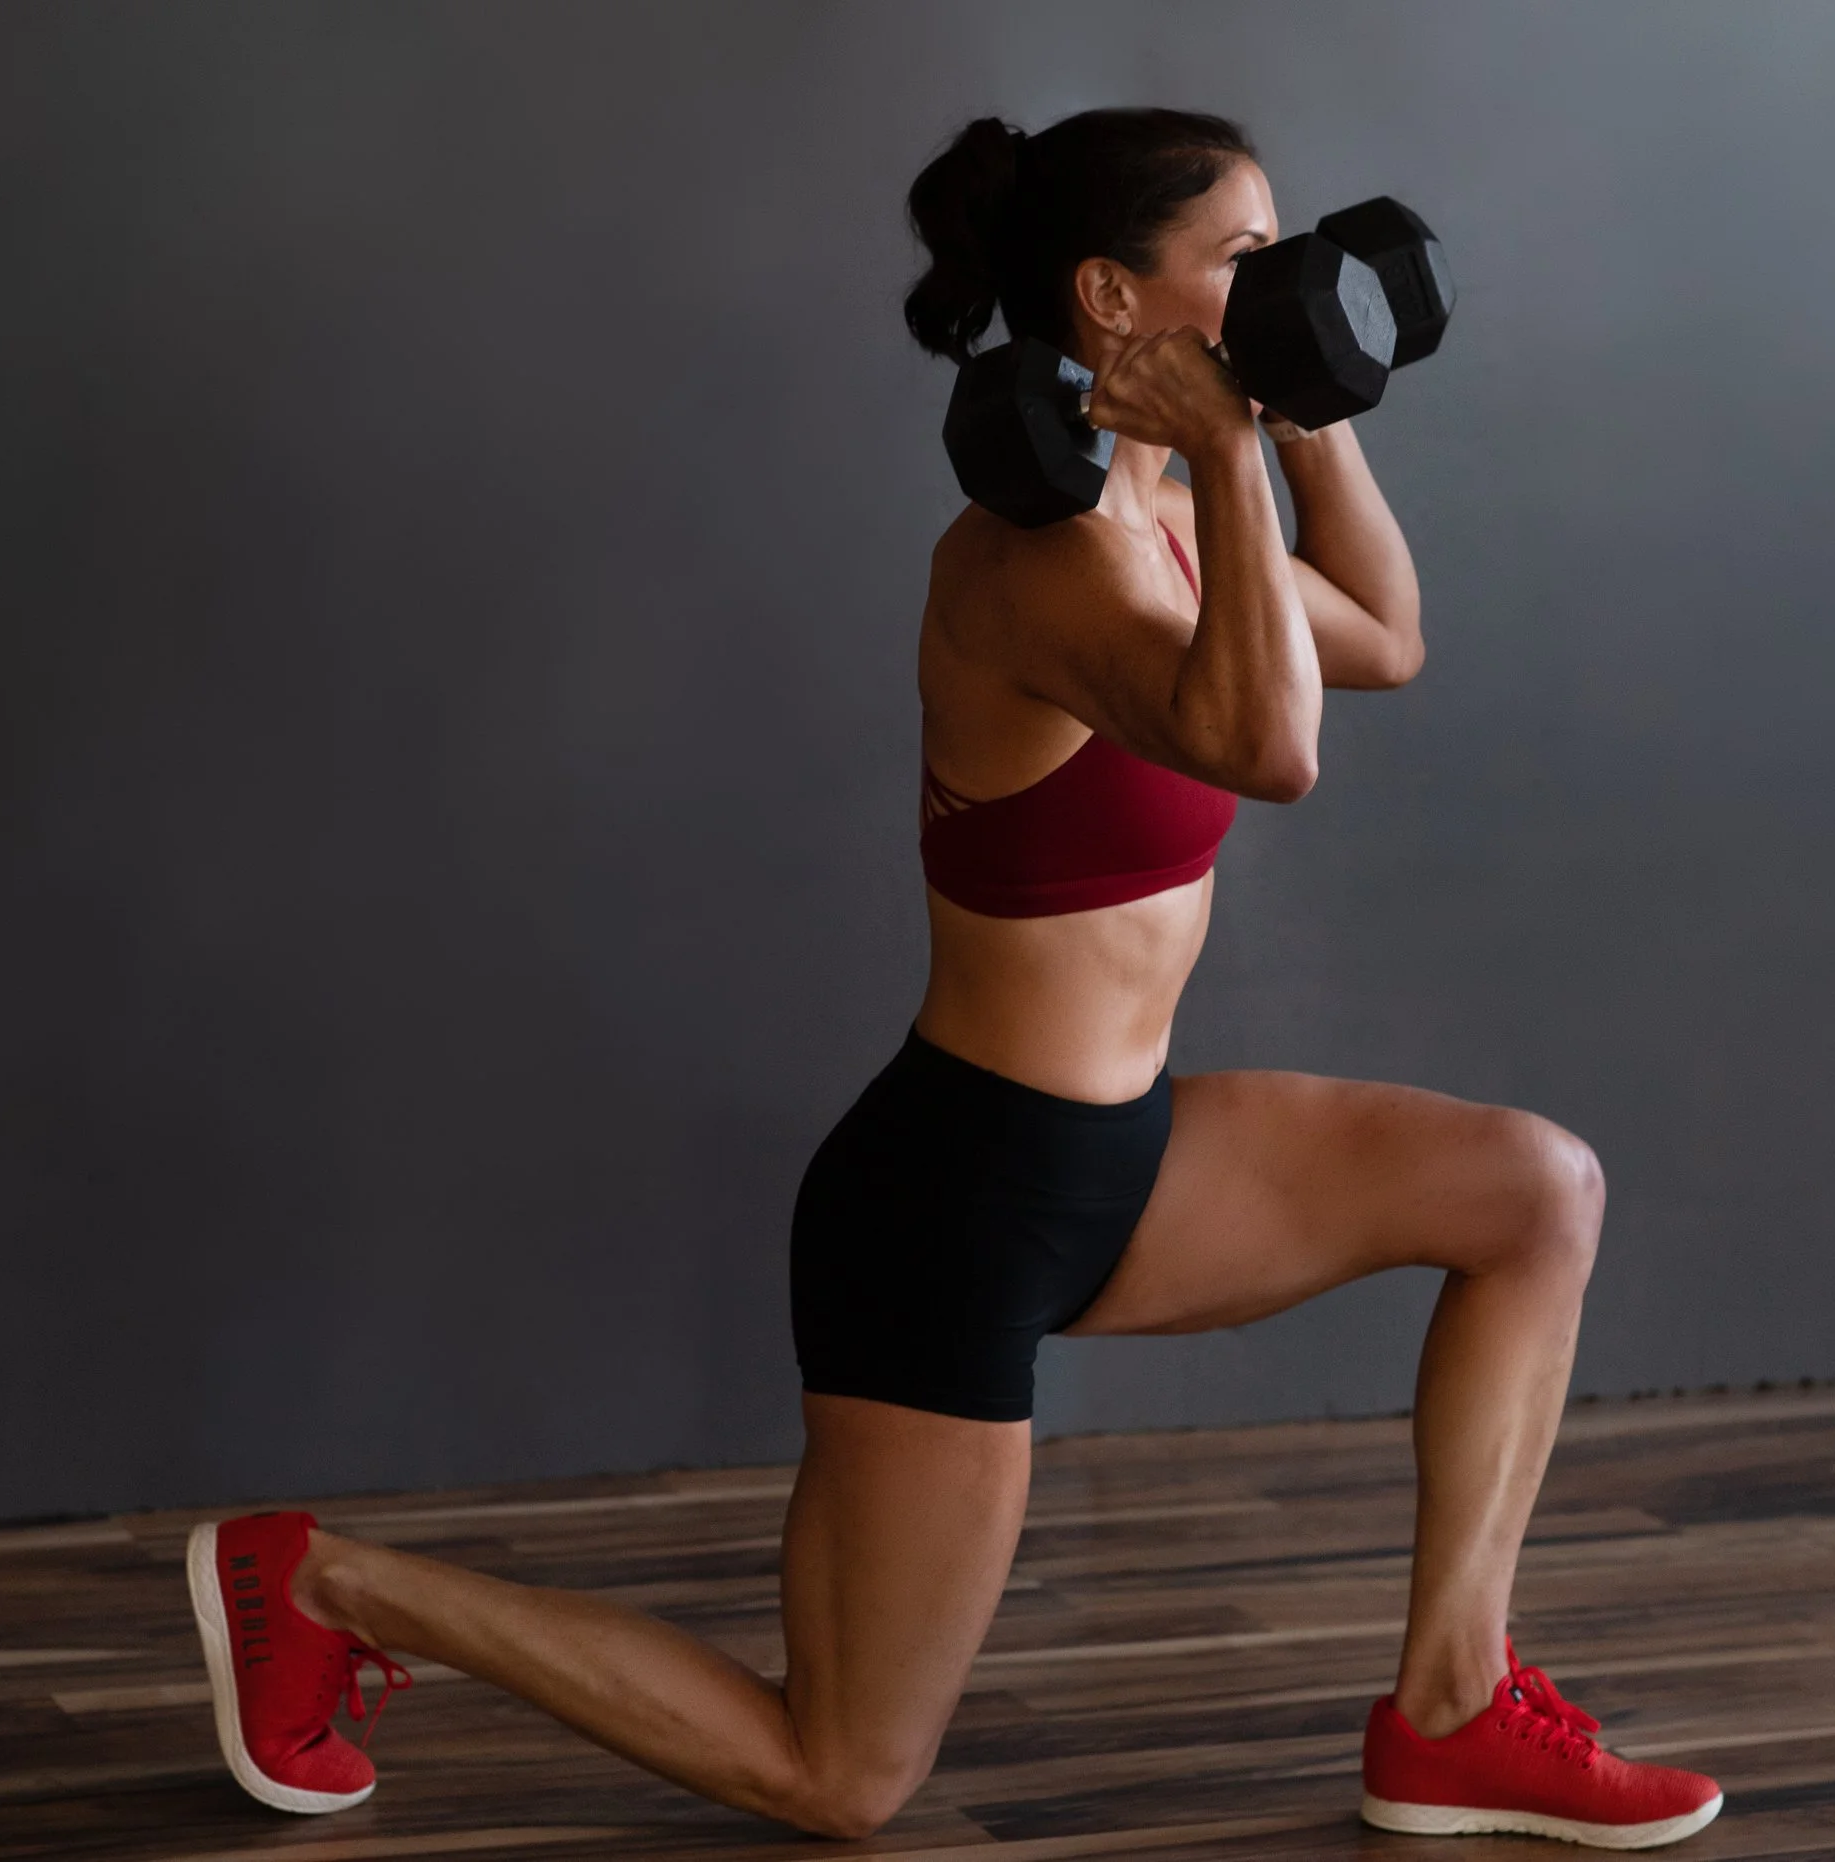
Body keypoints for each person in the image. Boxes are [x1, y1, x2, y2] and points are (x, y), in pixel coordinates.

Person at [185, 107, 1724, 1849]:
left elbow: (1386, 635)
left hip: (1122, 1161)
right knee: (837, 1773)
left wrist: (1301, 407)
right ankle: (325, 1586)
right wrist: (1232, 450)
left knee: (1535, 1190)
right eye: (1244, 256)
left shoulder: (1168, 516)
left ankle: (1449, 1710)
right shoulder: (1033, 562)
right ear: (1109, 293)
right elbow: (1272, 744)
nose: (1285, 276)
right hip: (953, 1203)